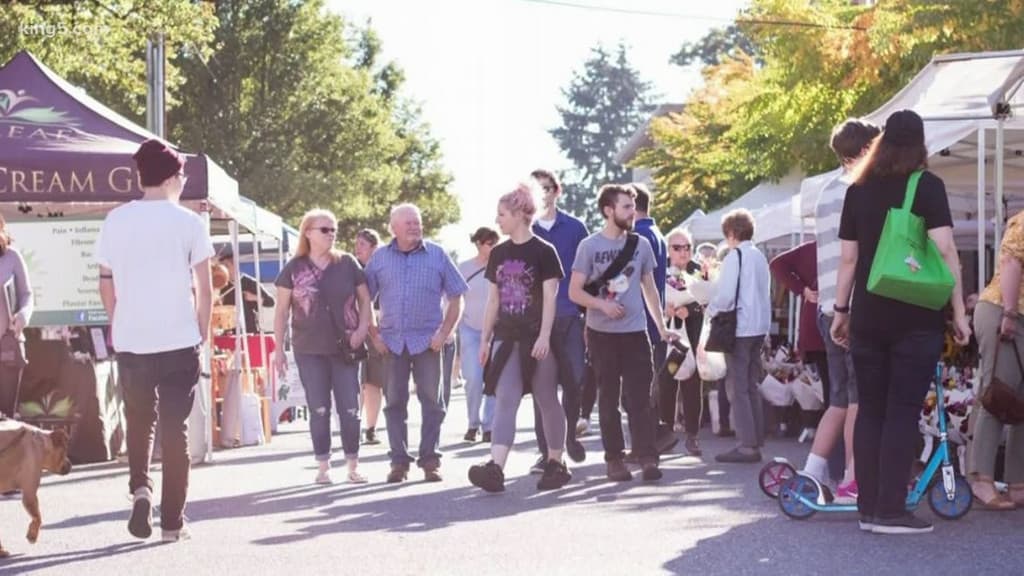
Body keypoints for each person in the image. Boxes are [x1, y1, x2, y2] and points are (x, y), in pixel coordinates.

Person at [832, 109, 970, 535]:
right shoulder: (927, 186)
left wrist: (841, 312)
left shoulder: (857, 190)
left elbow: (849, 259)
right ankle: (892, 511)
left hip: (868, 317)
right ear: (920, 144)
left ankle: (869, 509)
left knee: (870, 409)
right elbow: (945, 251)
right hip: (915, 316)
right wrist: (960, 311)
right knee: (902, 411)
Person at [97, 139, 213, 542]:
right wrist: (202, 331)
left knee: (139, 421)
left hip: (132, 340)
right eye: (181, 175)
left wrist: (119, 321)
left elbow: (106, 282)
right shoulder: (189, 223)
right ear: (170, 177)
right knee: (173, 429)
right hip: (179, 339)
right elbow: (204, 285)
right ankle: (172, 523)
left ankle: (141, 490)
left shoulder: (116, 220)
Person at [791, 118, 881, 500]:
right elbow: (855, 255)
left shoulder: (827, 190)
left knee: (840, 398)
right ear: (865, 151)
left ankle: (812, 472)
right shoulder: (858, 190)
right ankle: (852, 478)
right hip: (852, 304)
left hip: (827, 304)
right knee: (859, 397)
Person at [569, 184, 677, 482]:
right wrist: (601, 305)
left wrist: (662, 327)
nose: (633, 212)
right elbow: (575, 292)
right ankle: (614, 459)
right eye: (626, 207)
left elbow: (650, 288)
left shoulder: (640, 244)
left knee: (640, 398)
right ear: (608, 210)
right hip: (602, 334)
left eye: (632, 206)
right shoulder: (589, 247)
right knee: (608, 399)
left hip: (635, 333)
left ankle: (647, 457)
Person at [468, 184, 571, 492]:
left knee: (547, 399)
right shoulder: (498, 253)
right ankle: (495, 468)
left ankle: (555, 462)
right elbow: (493, 301)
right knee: (505, 399)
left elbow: (551, 297)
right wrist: (485, 340)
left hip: (538, 338)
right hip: (507, 337)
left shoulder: (544, 251)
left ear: (518, 214)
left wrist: (544, 336)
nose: (497, 220)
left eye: (501, 214)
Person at [365, 203, 468, 483]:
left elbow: (457, 296)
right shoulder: (379, 259)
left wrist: (445, 333)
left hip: (429, 342)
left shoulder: (437, 255)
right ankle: (399, 462)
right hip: (392, 342)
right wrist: (374, 335)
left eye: (417, 222)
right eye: (408, 222)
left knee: (433, 402)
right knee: (394, 402)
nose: (415, 226)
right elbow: (363, 300)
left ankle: (430, 460)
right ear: (393, 228)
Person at [273, 210, 372, 485]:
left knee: (350, 408)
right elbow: (281, 311)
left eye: (333, 229)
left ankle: (353, 464)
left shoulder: (348, 263)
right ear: (308, 232)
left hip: (346, 346)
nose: (331, 234)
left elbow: (365, 300)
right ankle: (323, 466)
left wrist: (362, 329)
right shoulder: (293, 268)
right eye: (324, 229)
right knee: (318, 408)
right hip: (309, 347)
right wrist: (278, 349)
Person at [529, 169, 589, 469]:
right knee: (544, 387)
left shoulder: (576, 228)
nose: (543, 193)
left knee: (575, 381)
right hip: (538, 321)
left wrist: (590, 317)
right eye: (536, 189)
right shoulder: (526, 230)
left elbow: (590, 273)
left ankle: (568, 438)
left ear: (557, 191)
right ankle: (548, 453)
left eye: (547, 188)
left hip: (571, 315)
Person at [969, 211, 1024, 509]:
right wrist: (1010, 314)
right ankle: (981, 479)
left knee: (1020, 402)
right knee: (997, 394)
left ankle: (1017, 484)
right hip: (1003, 312)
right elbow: (1011, 262)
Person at [708, 209, 771, 464]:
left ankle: (746, 444)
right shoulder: (759, 256)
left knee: (737, 387)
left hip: (740, 326)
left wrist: (709, 309)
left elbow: (725, 297)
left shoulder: (736, 257)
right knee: (751, 385)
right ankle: (755, 438)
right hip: (758, 327)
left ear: (732, 233)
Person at [632, 182, 676, 455]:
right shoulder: (657, 233)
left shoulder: (639, 235)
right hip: (654, 318)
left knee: (638, 389)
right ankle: (652, 438)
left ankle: (649, 441)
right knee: (648, 385)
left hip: (642, 321)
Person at [663, 228, 704, 456]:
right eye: (677, 248)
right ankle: (666, 432)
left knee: (691, 386)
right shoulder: (661, 273)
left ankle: (692, 435)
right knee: (667, 383)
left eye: (687, 247)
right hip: (670, 339)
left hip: (693, 338)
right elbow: (651, 297)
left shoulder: (698, 272)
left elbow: (709, 300)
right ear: (669, 250)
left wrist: (689, 309)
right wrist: (664, 307)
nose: (683, 252)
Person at [458, 227, 499, 442]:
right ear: (479, 244)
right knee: (473, 378)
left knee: (493, 380)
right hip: (470, 329)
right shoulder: (464, 268)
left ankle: (489, 425)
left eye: (495, 243)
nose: (493, 247)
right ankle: (472, 423)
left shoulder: (502, 268)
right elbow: (453, 298)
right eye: (489, 243)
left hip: (496, 331)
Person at [354, 228, 385, 445]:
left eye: (362, 245)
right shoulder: (357, 271)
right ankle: (359, 426)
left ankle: (371, 427)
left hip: (383, 330)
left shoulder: (384, 269)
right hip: (362, 330)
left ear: (374, 247)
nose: (357, 250)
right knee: (363, 382)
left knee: (375, 382)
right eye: (356, 245)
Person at [0, 214, 33, 420]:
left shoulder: (12, 257)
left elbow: (27, 295)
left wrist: (22, 316)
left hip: (8, 346)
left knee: (5, 417)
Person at [217, 246, 275, 333]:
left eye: (226, 266)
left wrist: (254, 297)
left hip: (249, 328)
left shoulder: (249, 282)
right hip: (229, 329)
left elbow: (270, 302)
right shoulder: (222, 285)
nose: (224, 270)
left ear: (235, 265)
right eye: (222, 267)